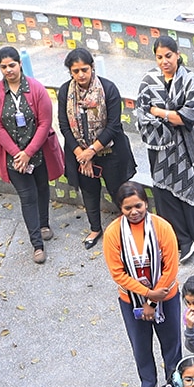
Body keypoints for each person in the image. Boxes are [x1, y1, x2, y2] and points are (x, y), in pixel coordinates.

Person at [102, 182, 184, 387]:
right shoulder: (113, 233)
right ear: (121, 209)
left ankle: (175, 383)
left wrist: (153, 300)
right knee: (140, 345)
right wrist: (148, 295)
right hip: (131, 302)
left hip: (166, 296)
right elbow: (117, 273)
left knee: (171, 342)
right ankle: (148, 385)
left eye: (138, 205)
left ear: (146, 203)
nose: (134, 211)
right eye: (127, 208)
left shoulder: (161, 227)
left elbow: (171, 268)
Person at [134, 35, 194, 258]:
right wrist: (167, 117)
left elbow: (189, 116)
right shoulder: (149, 80)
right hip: (159, 147)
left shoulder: (189, 80)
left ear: (177, 55)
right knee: (163, 194)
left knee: (186, 193)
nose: (164, 61)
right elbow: (141, 113)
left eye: (168, 56)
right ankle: (172, 240)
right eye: (159, 57)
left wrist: (160, 112)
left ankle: (189, 240)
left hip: (186, 147)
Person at [0, 46, 62, 262]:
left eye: (12, 65)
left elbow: (45, 122)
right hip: (14, 158)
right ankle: (37, 244)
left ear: (20, 64)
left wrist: (28, 152)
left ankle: (44, 222)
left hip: (37, 154)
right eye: (4, 66)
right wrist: (17, 154)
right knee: (27, 197)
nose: (8, 70)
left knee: (41, 189)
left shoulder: (36, 89)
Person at [56, 45, 134, 243]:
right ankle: (95, 229)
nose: (81, 75)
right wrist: (81, 155)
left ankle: (128, 227)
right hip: (80, 154)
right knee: (89, 191)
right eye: (76, 71)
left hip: (110, 151)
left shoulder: (108, 89)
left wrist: (91, 151)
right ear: (70, 72)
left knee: (118, 190)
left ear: (92, 68)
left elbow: (114, 126)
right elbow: (64, 126)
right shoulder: (66, 91)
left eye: (85, 69)